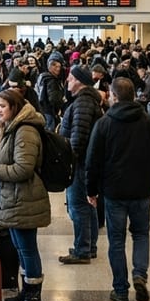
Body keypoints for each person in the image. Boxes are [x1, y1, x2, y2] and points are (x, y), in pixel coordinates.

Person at [86, 78, 150, 301]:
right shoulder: (149, 121)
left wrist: (91, 190)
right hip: (142, 189)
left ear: (114, 95)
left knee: (116, 240)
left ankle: (120, 289)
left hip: (114, 191)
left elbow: (93, 160)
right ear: (133, 95)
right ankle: (140, 274)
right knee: (141, 234)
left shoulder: (104, 124)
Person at [0, 88, 50, 301]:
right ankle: (25, 290)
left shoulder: (25, 131)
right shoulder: (12, 128)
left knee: (28, 249)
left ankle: (33, 297)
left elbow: (23, 168)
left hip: (25, 197)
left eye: (2, 106)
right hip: (15, 197)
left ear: (14, 108)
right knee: (20, 247)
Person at [58, 65, 104, 264]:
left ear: (79, 81)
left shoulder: (83, 103)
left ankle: (82, 249)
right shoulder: (87, 100)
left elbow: (78, 138)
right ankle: (89, 245)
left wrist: (69, 160)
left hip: (81, 163)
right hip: (88, 161)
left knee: (78, 205)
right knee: (87, 205)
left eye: (70, 77)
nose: (67, 80)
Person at [36, 56, 66, 132]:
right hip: (49, 111)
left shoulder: (42, 76)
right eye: (55, 66)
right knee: (50, 133)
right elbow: (53, 98)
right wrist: (60, 105)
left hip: (42, 109)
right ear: (50, 66)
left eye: (59, 66)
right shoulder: (51, 80)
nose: (58, 69)